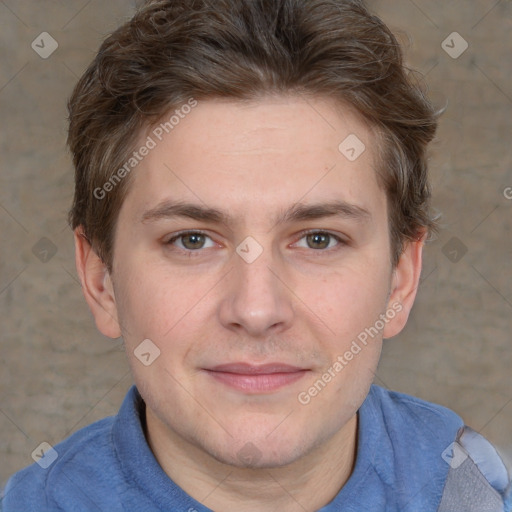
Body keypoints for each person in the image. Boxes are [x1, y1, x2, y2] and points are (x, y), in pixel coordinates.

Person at [2, 0, 511, 510]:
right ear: (101, 280)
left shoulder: (474, 491)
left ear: (401, 279)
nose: (256, 310)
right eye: (192, 240)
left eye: (319, 239)